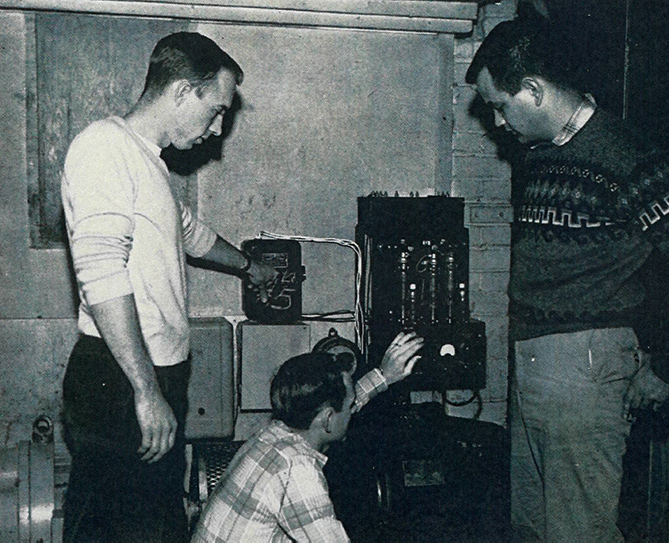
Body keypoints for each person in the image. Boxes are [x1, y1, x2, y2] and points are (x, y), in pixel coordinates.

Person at [465, 18, 669, 542]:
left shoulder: (625, 155)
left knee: (578, 531)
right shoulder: (543, 153)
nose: (498, 123)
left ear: (533, 90)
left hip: (584, 368)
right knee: (532, 526)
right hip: (532, 362)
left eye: (501, 106)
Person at [60, 32, 278, 542]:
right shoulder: (103, 147)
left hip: (150, 377)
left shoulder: (146, 160)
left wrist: (250, 267)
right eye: (216, 110)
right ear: (182, 91)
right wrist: (144, 390)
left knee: (157, 525)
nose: (218, 127)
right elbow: (100, 272)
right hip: (119, 379)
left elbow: (190, 235)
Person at [191, 331, 423, 542]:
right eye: (350, 405)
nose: (352, 410)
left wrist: (384, 375)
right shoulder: (297, 471)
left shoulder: (274, 434)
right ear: (328, 419)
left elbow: (335, 408)